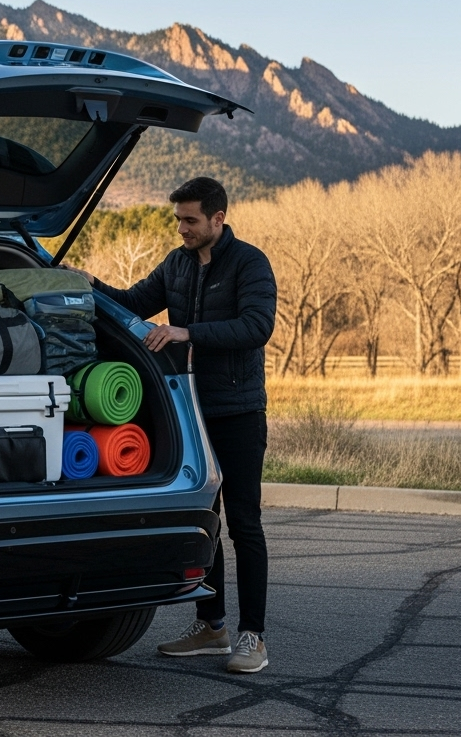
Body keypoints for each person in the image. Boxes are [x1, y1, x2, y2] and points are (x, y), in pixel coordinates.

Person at [68, 177, 277, 674]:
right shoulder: (177, 264)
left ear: (217, 219)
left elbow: (257, 326)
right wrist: (87, 284)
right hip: (192, 413)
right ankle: (212, 627)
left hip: (239, 411)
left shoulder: (250, 263)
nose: (181, 228)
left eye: (190, 220)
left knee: (245, 524)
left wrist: (187, 331)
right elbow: (132, 302)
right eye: (178, 219)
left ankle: (253, 637)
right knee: (205, 518)